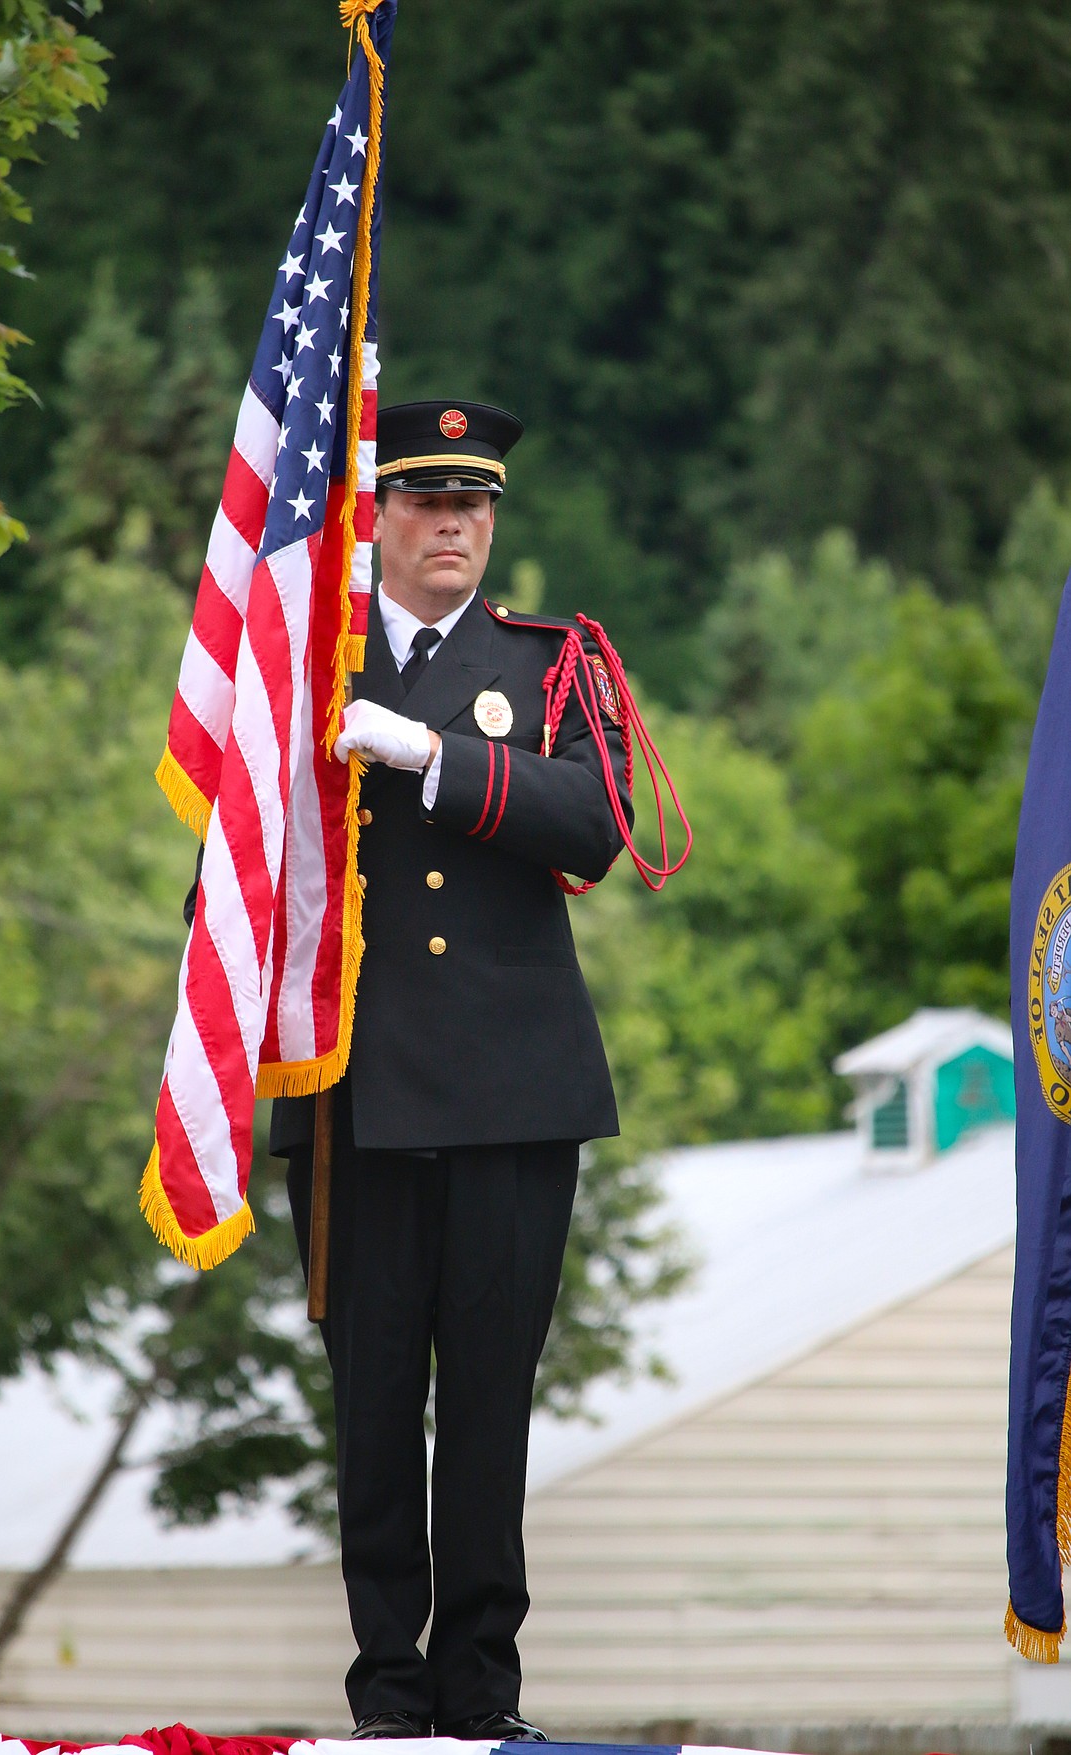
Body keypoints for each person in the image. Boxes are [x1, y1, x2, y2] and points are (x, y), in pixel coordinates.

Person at [270, 400, 633, 1741]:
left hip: (509, 1094)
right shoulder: (301, 665)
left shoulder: (550, 665)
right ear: (376, 516)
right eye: (427, 505)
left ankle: (481, 1698)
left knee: (487, 1404)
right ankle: (388, 1700)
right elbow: (235, 880)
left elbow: (599, 824)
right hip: (351, 1094)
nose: (454, 529)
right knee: (372, 1414)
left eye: (473, 508)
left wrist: (430, 755)